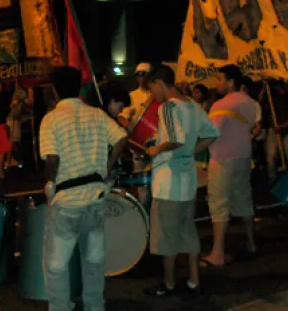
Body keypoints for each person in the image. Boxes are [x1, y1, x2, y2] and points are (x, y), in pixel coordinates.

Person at [39, 67, 129, 311]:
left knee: (56, 266)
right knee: (93, 260)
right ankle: (94, 306)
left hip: (68, 200)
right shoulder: (97, 115)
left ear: (55, 90)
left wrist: (50, 183)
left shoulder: (52, 118)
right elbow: (122, 138)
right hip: (96, 196)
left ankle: (61, 308)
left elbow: (52, 159)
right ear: (79, 87)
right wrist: (107, 168)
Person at [144, 65, 219, 296]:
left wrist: (156, 148)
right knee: (188, 230)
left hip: (168, 182)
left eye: (151, 88)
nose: (152, 95)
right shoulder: (193, 106)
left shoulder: (167, 107)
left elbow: (175, 139)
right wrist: (191, 151)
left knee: (167, 237)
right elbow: (212, 134)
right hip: (188, 181)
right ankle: (194, 281)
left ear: (159, 83)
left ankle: (169, 284)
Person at [202, 65, 257, 268]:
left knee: (219, 205)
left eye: (219, 79)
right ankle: (251, 242)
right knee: (243, 199)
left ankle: (217, 254)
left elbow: (211, 133)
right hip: (243, 158)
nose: (217, 83)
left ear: (230, 82)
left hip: (222, 161)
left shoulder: (220, 105)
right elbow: (252, 126)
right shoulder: (250, 103)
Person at [263, 81, 288, 182]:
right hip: (273, 130)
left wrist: (284, 125)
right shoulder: (269, 93)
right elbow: (261, 104)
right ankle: (273, 182)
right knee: (270, 157)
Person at [118, 62, 152, 129]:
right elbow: (122, 117)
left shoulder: (156, 95)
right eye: (138, 75)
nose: (140, 78)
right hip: (135, 136)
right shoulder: (131, 95)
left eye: (143, 74)